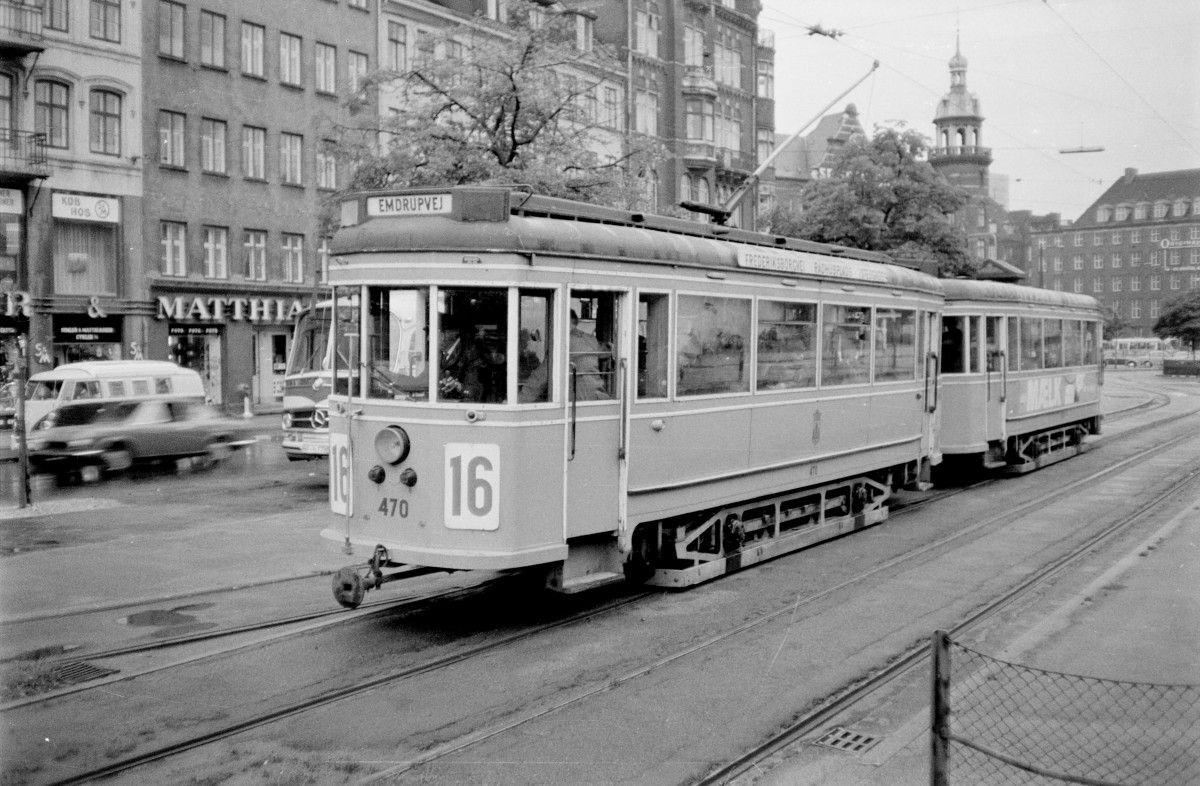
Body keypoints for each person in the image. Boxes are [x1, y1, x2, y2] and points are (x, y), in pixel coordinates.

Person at [569, 311, 610, 400]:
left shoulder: (563, 341)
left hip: (576, 401)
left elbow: (540, 378)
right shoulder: (591, 339)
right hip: (598, 397)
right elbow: (605, 353)